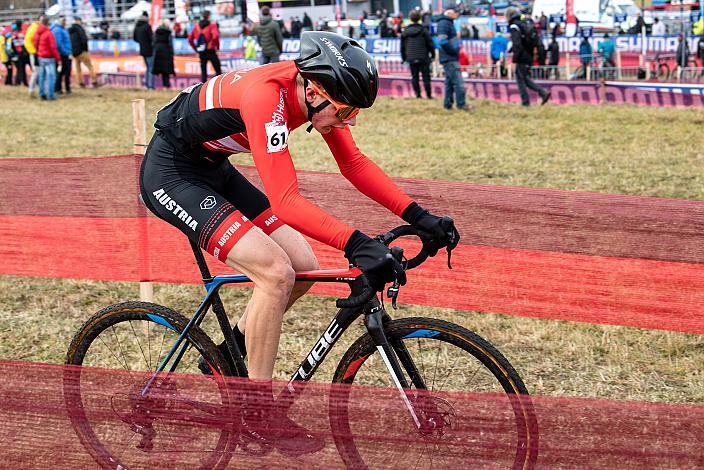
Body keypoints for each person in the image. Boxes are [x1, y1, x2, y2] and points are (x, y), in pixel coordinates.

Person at [139, 31, 459, 454]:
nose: (347, 121)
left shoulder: (317, 94)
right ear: (314, 89)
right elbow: (286, 202)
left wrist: (419, 217)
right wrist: (355, 242)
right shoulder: (265, 98)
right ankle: (257, 411)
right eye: (345, 111)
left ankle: (226, 354)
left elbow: (354, 163)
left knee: (302, 264)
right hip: (172, 174)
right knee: (275, 272)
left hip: (213, 167)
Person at [506, 7, 550, 106]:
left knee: (520, 79)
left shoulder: (514, 27)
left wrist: (514, 60)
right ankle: (542, 93)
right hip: (528, 54)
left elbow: (517, 44)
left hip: (522, 56)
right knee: (525, 78)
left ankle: (526, 102)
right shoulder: (523, 24)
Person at [436, 3, 469, 110]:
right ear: (450, 12)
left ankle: (448, 104)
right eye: (456, 12)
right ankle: (461, 104)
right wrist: (454, 51)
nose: (458, 14)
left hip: (449, 56)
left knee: (449, 83)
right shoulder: (445, 23)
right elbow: (442, 41)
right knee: (459, 83)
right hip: (449, 57)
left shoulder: (447, 22)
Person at [401, 9, 434, 99]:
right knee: (426, 77)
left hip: (411, 57)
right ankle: (429, 95)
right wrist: (433, 55)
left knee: (414, 77)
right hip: (423, 57)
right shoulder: (424, 30)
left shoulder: (405, 31)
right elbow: (430, 44)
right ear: (419, 18)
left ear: (410, 18)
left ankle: (418, 95)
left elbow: (402, 47)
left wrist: (404, 58)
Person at [188, 10, 221, 83]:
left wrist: (196, 49)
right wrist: (216, 46)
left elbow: (190, 39)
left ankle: (203, 86)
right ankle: (218, 84)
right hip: (210, 50)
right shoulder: (212, 25)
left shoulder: (196, 26)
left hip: (201, 50)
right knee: (217, 69)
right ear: (209, 16)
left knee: (203, 71)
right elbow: (216, 36)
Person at [33, 16, 60, 100]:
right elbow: (53, 47)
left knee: (42, 76)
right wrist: (58, 58)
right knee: (51, 76)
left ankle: (42, 93)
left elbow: (35, 43)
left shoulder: (37, 32)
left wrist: (39, 52)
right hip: (49, 57)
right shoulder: (49, 33)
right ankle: (50, 95)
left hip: (41, 56)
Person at [69, 17, 98, 88]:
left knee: (78, 68)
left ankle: (80, 82)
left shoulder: (70, 30)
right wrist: (85, 49)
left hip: (74, 52)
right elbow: (84, 40)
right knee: (89, 66)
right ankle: (94, 81)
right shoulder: (80, 29)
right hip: (82, 51)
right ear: (79, 21)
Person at [133, 12, 154, 90]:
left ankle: (146, 84)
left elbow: (135, 38)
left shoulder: (137, 26)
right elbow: (151, 38)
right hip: (149, 49)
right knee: (151, 68)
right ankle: (151, 86)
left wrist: (141, 42)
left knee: (148, 68)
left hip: (142, 49)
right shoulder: (147, 26)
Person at [51, 17, 72, 95]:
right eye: (63, 20)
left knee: (63, 71)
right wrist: (66, 52)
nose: (65, 22)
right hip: (63, 54)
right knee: (62, 72)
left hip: (64, 53)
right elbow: (58, 43)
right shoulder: (57, 30)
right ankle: (60, 88)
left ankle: (60, 88)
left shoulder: (62, 29)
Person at [152, 19, 175, 89]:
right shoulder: (168, 33)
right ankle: (166, 85)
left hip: (158, 52)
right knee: (166, 70)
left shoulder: (156, 32)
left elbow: (153, 42)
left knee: (161, 70)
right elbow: (170, 44)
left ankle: (164, 85)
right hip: (166, 52)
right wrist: (172, 53)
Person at [24, 14, 42, 97]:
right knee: (36, 71)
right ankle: (31, 90)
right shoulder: (32, 29)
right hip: (35, 54)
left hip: (40, 53)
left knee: (39, 72)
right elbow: (27, 42)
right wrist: (34, 52)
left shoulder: (39, 28)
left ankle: (40, 89)